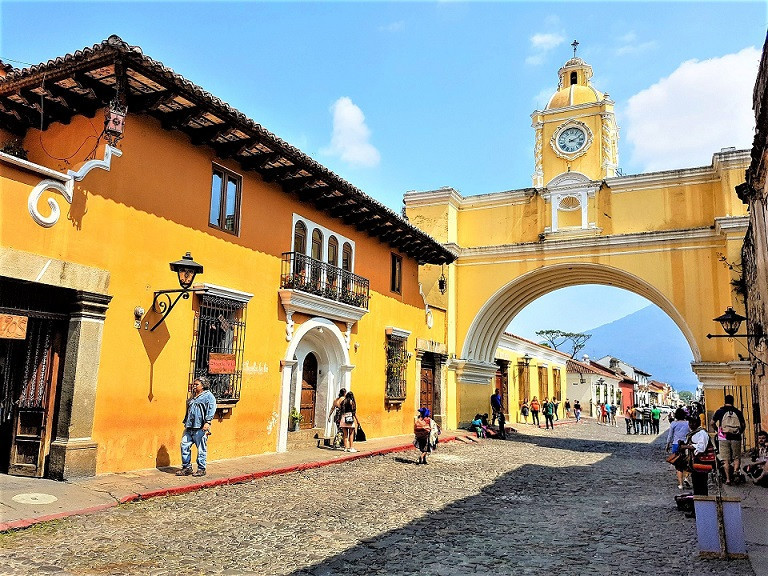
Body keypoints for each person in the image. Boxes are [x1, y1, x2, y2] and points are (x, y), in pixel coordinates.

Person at [177, 376, 217, 477]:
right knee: (184, 445)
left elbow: (211, 409)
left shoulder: (209, 396)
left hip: (200, 427)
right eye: (194, 384)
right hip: (189, 426)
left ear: (203, 386)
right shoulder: (193, 396)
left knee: (201, 449)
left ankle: (201, 469)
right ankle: (187, 467)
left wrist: (207, 422)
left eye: (196, 384)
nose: (194, 386)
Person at [711, 394, 747, 485]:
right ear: (733, 401)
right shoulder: (738, 412)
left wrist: (718, 430)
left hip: (723, 437)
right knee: (736, 457)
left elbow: (712, 423)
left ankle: (727, 479)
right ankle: (735, 472)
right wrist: (739, 432)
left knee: (725, 459)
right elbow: (743, 425)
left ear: (725, 401)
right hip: (736, 437)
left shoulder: (720, 411)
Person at [679, 416, 713, 497]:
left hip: (702, 463)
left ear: (698, 423)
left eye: (693, 423)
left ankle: (703, 503)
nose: (691, 425)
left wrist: (688, 447)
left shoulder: (702, 433)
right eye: (690, 423)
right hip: (694, 464)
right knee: (696, 484)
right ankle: (698, 502)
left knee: (702, 484)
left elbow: (701, 448)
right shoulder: (693, 433)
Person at [666, 408, 691, 489]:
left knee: (678, 465)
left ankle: (680, 484)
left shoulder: (673, 423)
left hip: (676, 445)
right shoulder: (688, 423)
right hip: (686, 445)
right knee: (688, 463)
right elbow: (691, 433)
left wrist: (667, 445)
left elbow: (670, 435)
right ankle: (686, 477)